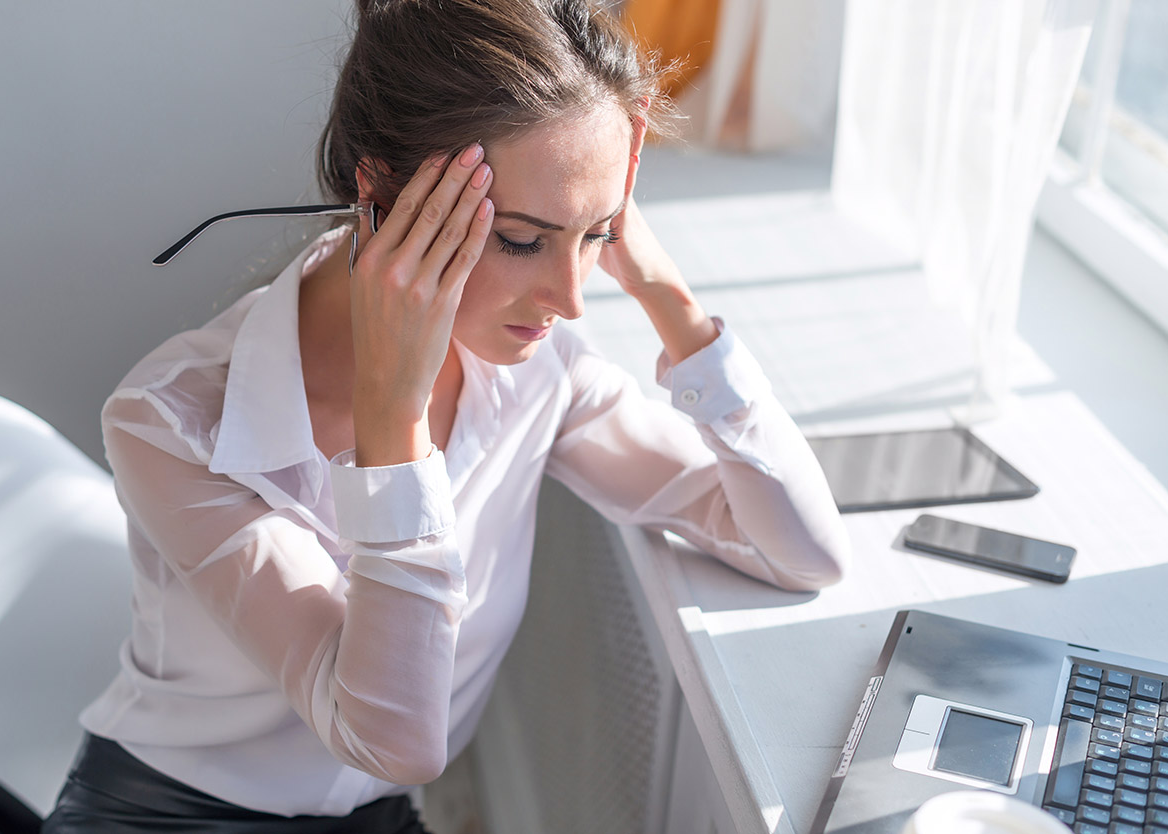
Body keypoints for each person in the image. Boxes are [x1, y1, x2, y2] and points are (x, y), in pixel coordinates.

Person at [42, 0, 849, 830]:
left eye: (597, 233)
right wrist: (393, 421)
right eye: (524, 240)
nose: (570, 300)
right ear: (381, 195)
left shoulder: (541, 373)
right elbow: (391, 738)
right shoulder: (171, 420)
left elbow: (799, 552)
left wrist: (666, 297)